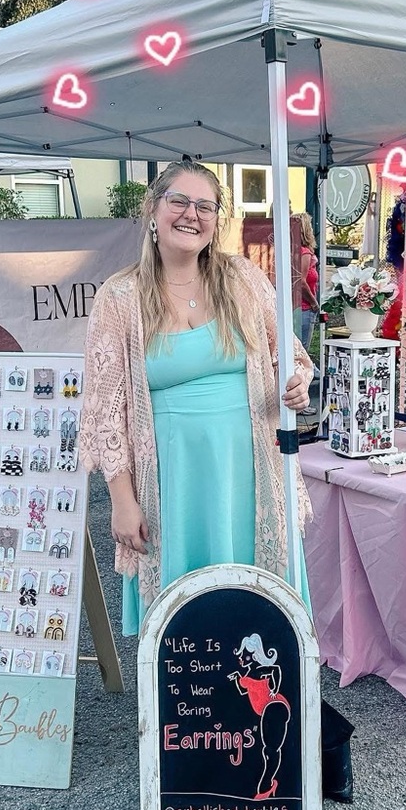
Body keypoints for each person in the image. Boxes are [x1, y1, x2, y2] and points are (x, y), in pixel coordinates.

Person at [80, 160, 314, 635]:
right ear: (153, 209)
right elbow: (106, 413)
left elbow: (289, 357)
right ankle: (193, 699)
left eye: (205, 206)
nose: (192, 215)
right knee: (185, 614)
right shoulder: (120, 296)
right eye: (179, 202)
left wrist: (296, 382)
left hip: (248, 468)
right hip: (173, 475)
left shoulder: (243, 279)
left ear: (216, 220)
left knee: (257, 599)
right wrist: (122, 502)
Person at [229, 633, 290, 800]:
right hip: (265, 711)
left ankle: (267, 785)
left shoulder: (259, 669)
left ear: (253, 655)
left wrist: (274, 690)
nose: (240, 657)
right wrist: (236, 678)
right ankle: (269, 784)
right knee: (267, 748)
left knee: (271, 748)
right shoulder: (247, 675)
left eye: (244, 654)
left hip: (275, 706)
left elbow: (275, 669)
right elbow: (243, 690)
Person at [297, 213, 321, 412]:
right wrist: (314, 304)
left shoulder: (292, 250)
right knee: (302, 354)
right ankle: (302, 400)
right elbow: (302, 281)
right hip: (304, 309)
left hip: (297, 308)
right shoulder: (304, 252)